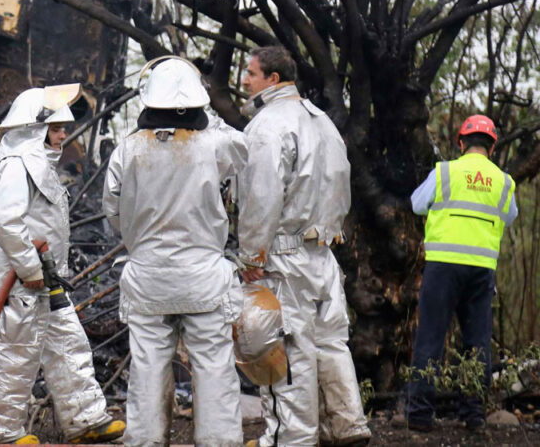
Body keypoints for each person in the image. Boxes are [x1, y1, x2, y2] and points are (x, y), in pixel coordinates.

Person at [101, 56, 247, 447]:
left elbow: (112, 212)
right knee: (214, 367)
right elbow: (243, 149)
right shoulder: (216, 143)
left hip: (147, 276)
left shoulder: (127, 150)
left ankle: (146, 441)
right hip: (203, 278)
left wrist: (140, 236)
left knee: (147, 369)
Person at [0, 84, 125, 445]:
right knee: (15, 356)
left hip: (44, 279)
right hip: (20, 286)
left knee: (68, 345)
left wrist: (40, 271)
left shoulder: (35, 163)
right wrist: (28, 269)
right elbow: (8, 223)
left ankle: (85, 420)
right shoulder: (15, 165)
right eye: (56, 129)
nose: (62, 136)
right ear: (34, 128)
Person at [237, 46, 371, 447]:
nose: (245, 80)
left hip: (283, 254)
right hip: (323, 253)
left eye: (251, 73)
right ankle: (346, 423)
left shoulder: (266, 126)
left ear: (272, 79)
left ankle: (292, 439)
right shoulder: (323, 122)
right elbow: (341, 186)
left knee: (287, 348)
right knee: (331, 341)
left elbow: (261, 197)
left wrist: (251, 255)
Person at [404, 114, 518, 432]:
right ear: (492, 148)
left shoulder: (445, 172)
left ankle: (420, 416)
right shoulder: (503, 181)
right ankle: (474, 416)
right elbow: (509, 216)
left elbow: (416, 204)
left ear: (461, 142)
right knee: (478, 343)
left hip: (442, 267)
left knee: (430, 338)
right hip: (482, 271)